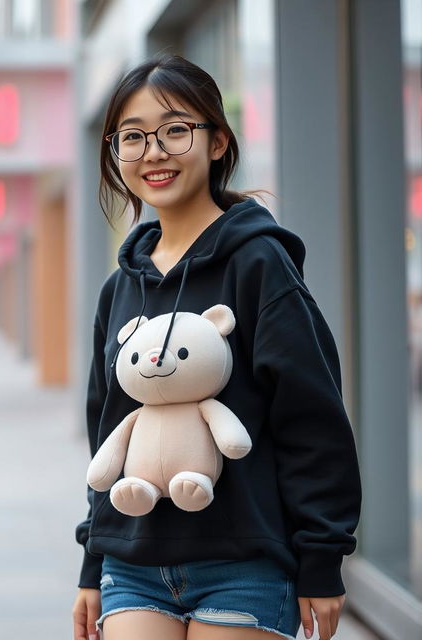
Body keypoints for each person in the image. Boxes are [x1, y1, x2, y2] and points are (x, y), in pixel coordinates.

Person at [72, 55, 362, 640]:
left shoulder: (259, 263)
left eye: (175, 129)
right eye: (132, 137)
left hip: (245, 562)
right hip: (133, 566)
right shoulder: (119, 287)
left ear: (218, 141)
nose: (153, 151)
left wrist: (322, 558)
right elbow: (108, 432)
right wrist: (93, 559)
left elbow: (311, 416)